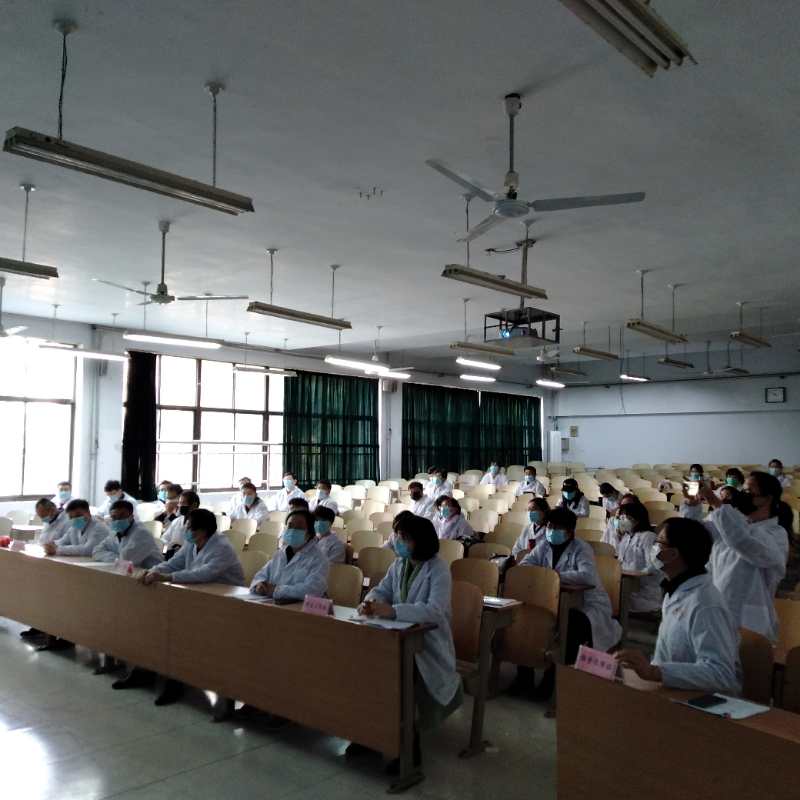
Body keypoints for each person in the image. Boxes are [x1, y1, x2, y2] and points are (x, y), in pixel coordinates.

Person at [357, 514, 462, 771]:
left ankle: (408, 748)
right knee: (364, 670)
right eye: (397, 535)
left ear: (420, 541)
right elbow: (382, 590)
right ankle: (368, 735)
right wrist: (370, 602)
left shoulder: (438, 569)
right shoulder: (399, 564)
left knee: (396, 681)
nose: (397, 541)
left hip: (427, 646)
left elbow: (435, 610)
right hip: (396, 637)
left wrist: (393, 611)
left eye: (404, 537)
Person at [615, 517, 741, 694]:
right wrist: (652, 671)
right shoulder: (676, 589)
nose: (654, 548)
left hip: (701, 701)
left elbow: (721, 674)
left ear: (673, 554)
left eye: (659, 543)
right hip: (671, 691)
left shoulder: (706, 605)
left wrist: (655, 672)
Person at [520, 507, 621, 699]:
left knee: (572, 623)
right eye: (550, 526)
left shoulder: (582, 548)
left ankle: (552, 680)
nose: (552, 530)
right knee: (527, 616)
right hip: (554, 601)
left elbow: (587, 575)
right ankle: (523, 679)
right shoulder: (544, 545)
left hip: (587, 605)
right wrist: (546, 576)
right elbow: (525, 564)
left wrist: (553, 576)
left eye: (557, 527)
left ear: (569, 531)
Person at [696, 472, 787, 642]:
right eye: (743, 491)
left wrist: (716, 502)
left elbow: (744, 542)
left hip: (750, 621)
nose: (743, 496)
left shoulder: (776, 535)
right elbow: (697, 534)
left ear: (767, 498)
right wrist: (694, 505)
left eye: (749, 492)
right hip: (717, 608)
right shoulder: (732, 521)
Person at [143, 509, 245, 587]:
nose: (185, 530)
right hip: (202, 588)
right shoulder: (191, 542)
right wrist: (154, 570)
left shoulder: (223, 548)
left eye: (189, 528)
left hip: (228, 592)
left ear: (203, 530)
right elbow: (174, 564)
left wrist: (168, 577)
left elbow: (204, 574)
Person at [250, 509, 330, 600]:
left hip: (299, 607)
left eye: (299, 527)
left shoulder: (319, 558)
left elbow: (313, 590)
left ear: (310, 532)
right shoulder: (280, 553)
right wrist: (259, 584)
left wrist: (277, 591)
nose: (293, 530)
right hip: (271, 603)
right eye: (290, 526)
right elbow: (260, 575)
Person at [614, 502, 662, 614]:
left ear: (637, 520)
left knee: (614, 600)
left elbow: (655, 565)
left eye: (625, 518)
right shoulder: (626, 537)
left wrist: (637, 573)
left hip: (643, 590)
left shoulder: (649, 537)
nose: (621, 521)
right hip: (625, 585)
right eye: (621, 518)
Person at [92, 500, 163, 569]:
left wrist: (117, 559)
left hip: (152, 573)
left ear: (131, 516)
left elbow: (127, 560)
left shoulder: (142, 533)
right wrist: (118, 559)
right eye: (114, 517)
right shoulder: (115, 532)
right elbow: (96, 551)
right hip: (129, 571)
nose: (117, 520)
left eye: (122, 516)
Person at [44, 499, 110, 557]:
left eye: (78, 515)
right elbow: (62, 541)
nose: (75, 519)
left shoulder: (98, 527)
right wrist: (51, 544)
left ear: (88, 513)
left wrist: (57, 549)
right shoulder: (74, 528)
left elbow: (88, 550)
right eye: (71, 517)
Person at [161, 490, 200, 556]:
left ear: (194, 505)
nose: (180, 506)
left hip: (189, 557)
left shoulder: (200, 523)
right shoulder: (176, 521)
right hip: (172, 555)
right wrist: (165, 551)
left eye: (183, 503)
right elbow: (164, 540)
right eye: (179, 503)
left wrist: (181, 549)